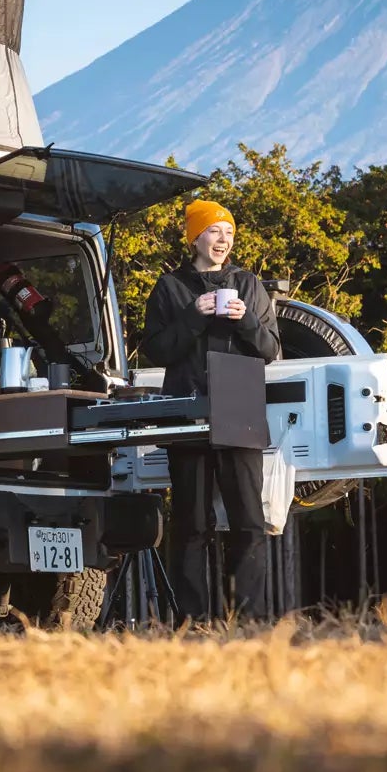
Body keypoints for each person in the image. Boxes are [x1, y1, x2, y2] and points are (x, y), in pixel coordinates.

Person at [140, 199, 281, 622]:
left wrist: (246, 321)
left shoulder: (249, 284)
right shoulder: (170, 287)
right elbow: (155, 350)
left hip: (240, 406)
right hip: (187, 408)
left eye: (229, 233)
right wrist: (193, 316)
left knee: (249, 522)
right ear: (195, 236)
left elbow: (271, 349)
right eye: (214, 231)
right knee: (191, 523)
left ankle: (246, 618)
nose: (223, 240)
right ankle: (192, 621)